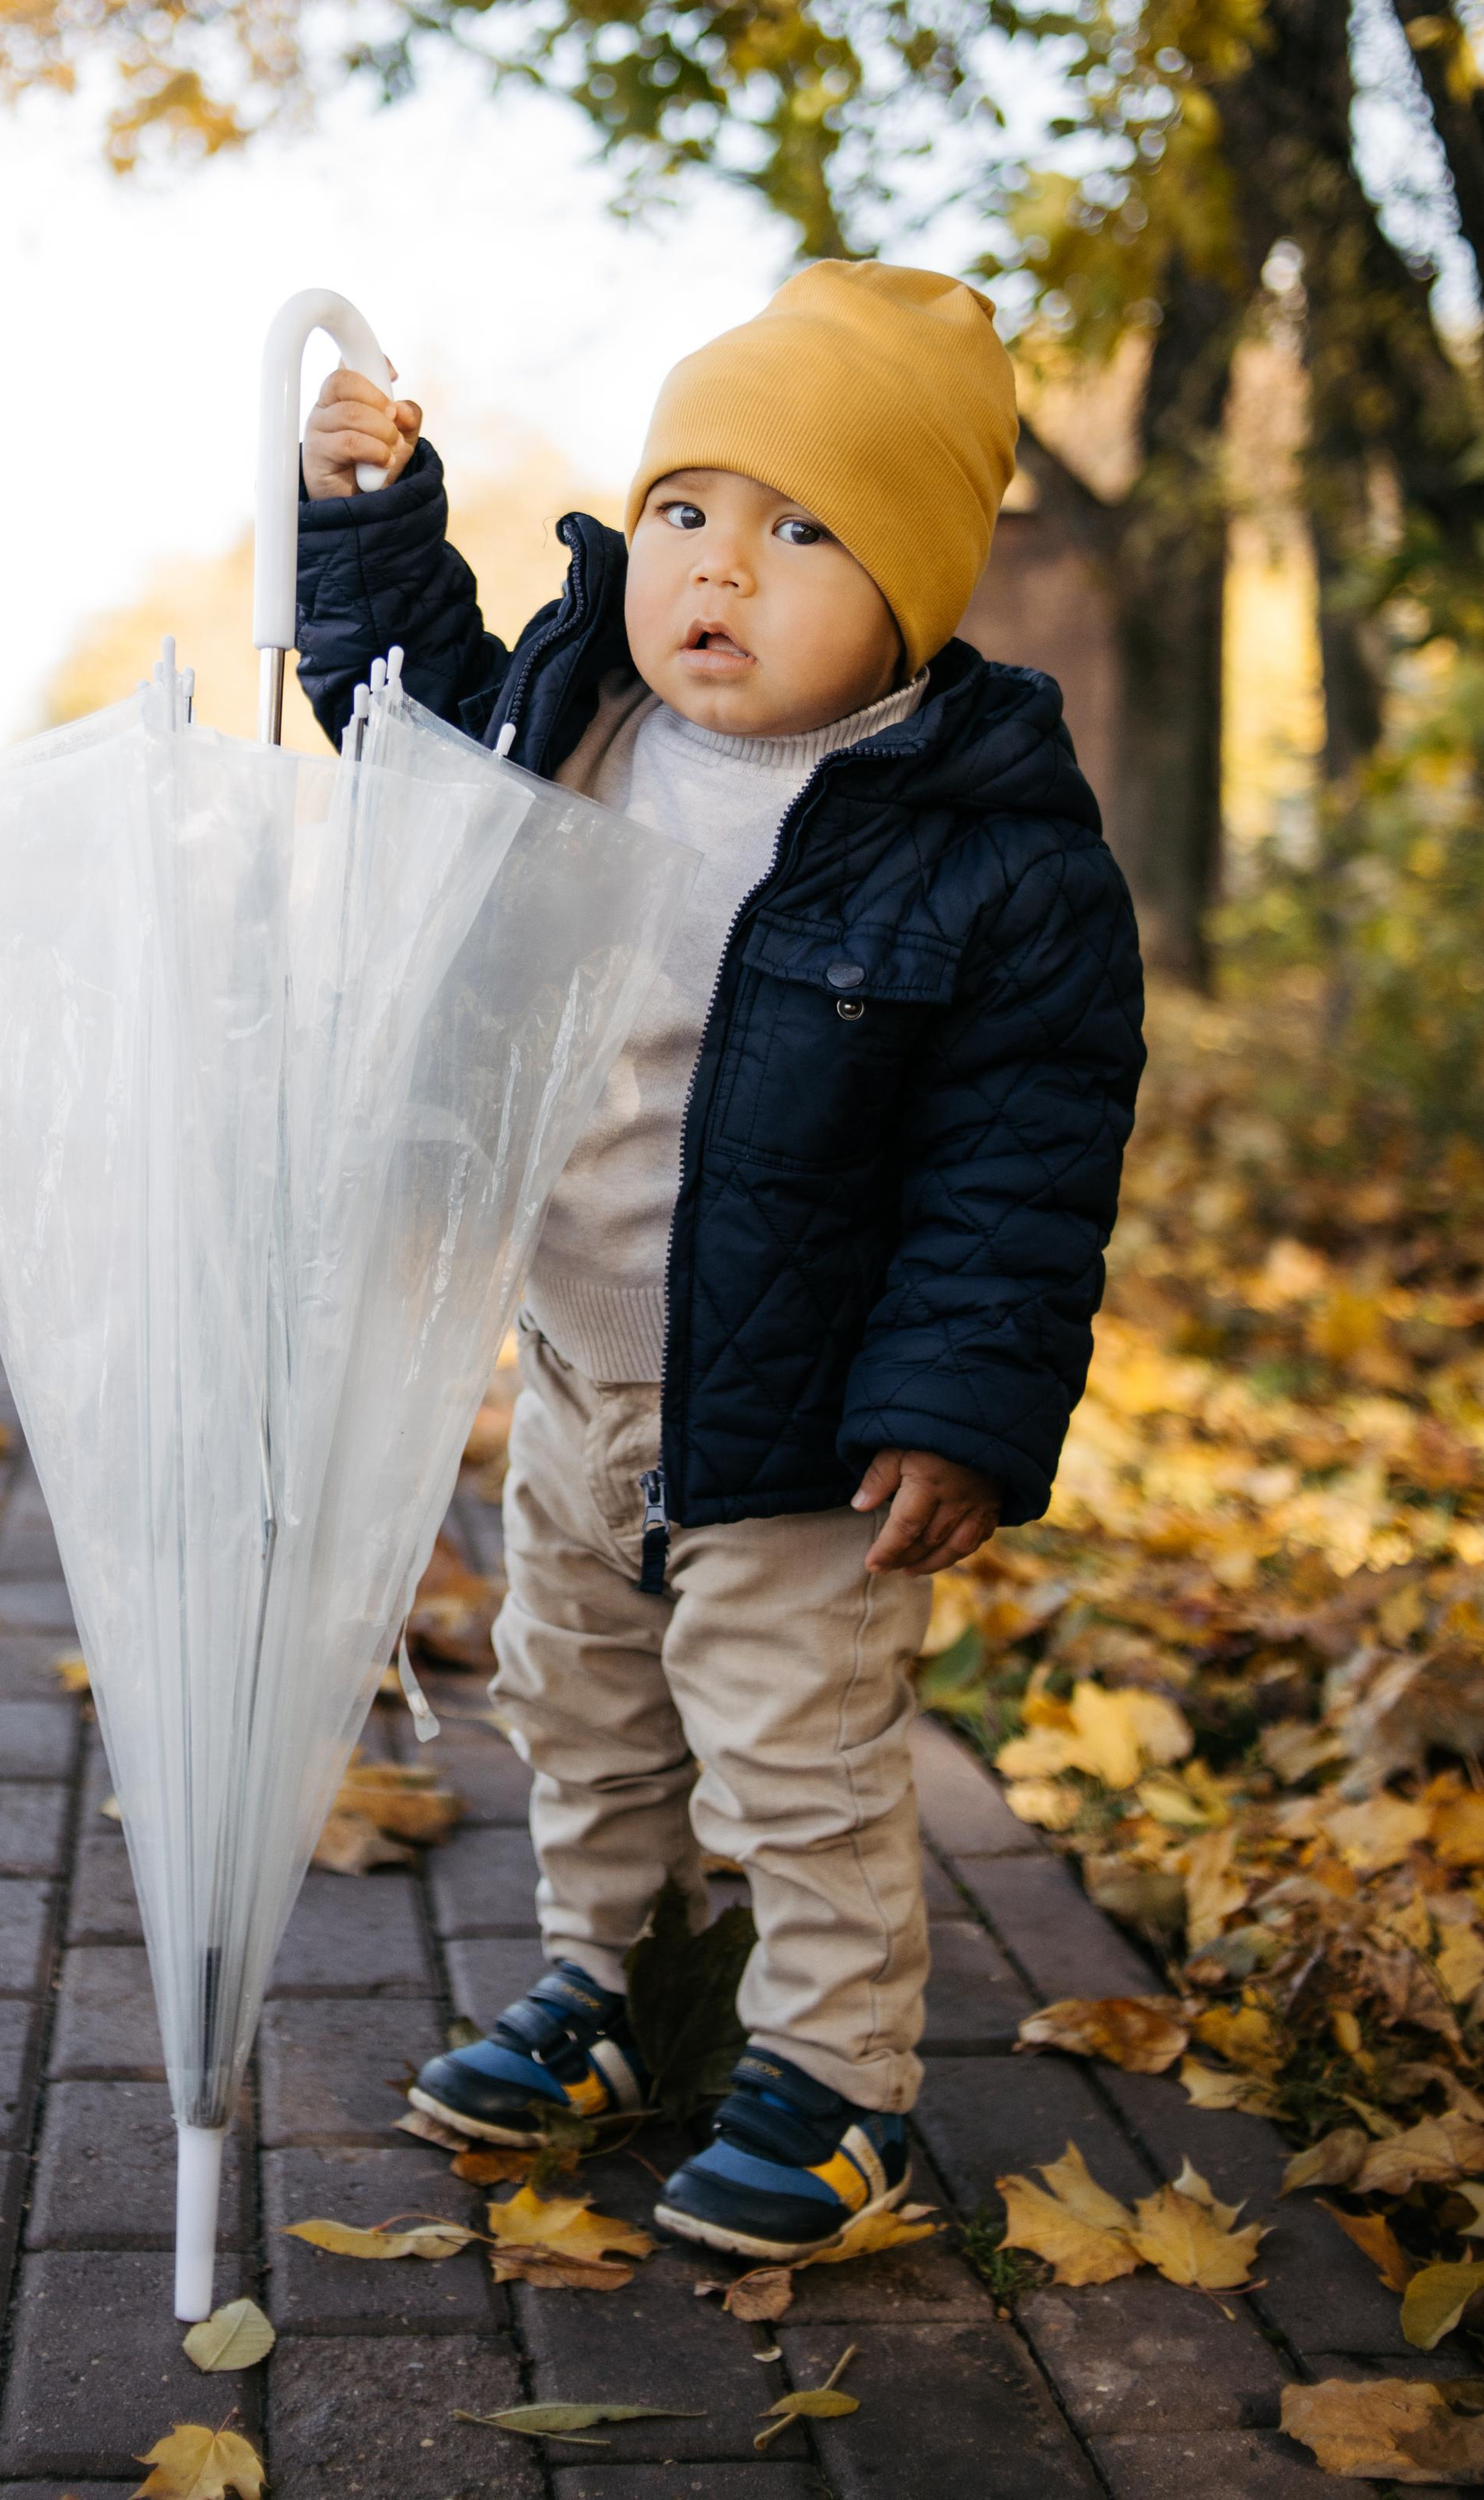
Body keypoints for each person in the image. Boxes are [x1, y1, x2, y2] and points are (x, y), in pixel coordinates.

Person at [295, 261, 1144, 2263]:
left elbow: (1015, 1168)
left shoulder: (987, 851)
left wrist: (955, 1412)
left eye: (797, 529)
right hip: (579, 1369)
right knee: (572, 1700)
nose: (718, 570)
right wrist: (364, 526)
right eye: (687, 510)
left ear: (916, 590)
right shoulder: (569, 716)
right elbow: (389, 706)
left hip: (801, 1413)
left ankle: (835, 2081)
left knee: (793, 1746)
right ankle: (616, 1985)